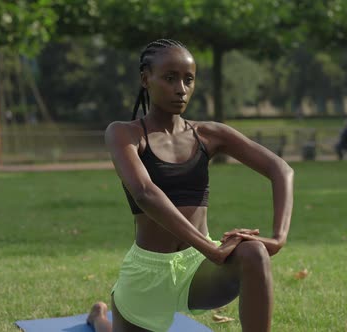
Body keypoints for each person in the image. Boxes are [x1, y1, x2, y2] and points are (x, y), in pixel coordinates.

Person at [87, 39, 294, 332]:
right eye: (170, 78)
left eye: (188, 79)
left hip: (199, 267)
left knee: (254, 253)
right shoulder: (124, 133)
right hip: (148, 276)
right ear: (146, 79)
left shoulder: (208, 133)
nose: (181, 89)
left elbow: (280, 169)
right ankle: (98, 318)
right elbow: (145, 194)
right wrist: (211, 249)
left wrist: (278, 238)